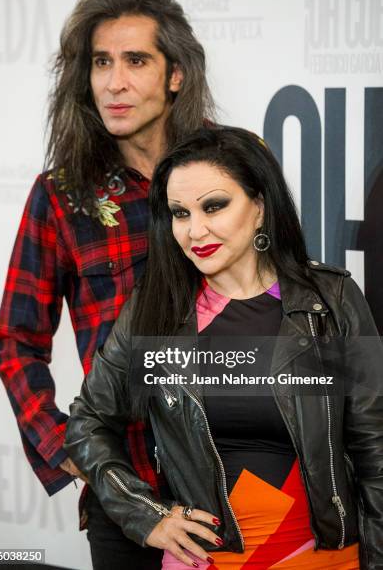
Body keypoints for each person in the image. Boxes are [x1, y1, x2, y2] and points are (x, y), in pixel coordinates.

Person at [64, 126, 383, 569]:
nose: (196, 230)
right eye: (180, 213)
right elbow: (87, 422)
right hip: (207, 561)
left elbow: (376, 449)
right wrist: (146, 514)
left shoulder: (333, 300)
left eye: (214, 205)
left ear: (259, 206)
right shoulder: (155, 310)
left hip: (325, 558)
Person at [0, 0, 215, 570]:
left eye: (136, 60)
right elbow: (16, 341)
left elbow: (287, 310)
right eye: (100, 62)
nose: (114, 82)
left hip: (241, 485)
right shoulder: (62, 195)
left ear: (175, 74)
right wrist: (67, 447)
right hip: (129, 503)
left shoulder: (233, 167)